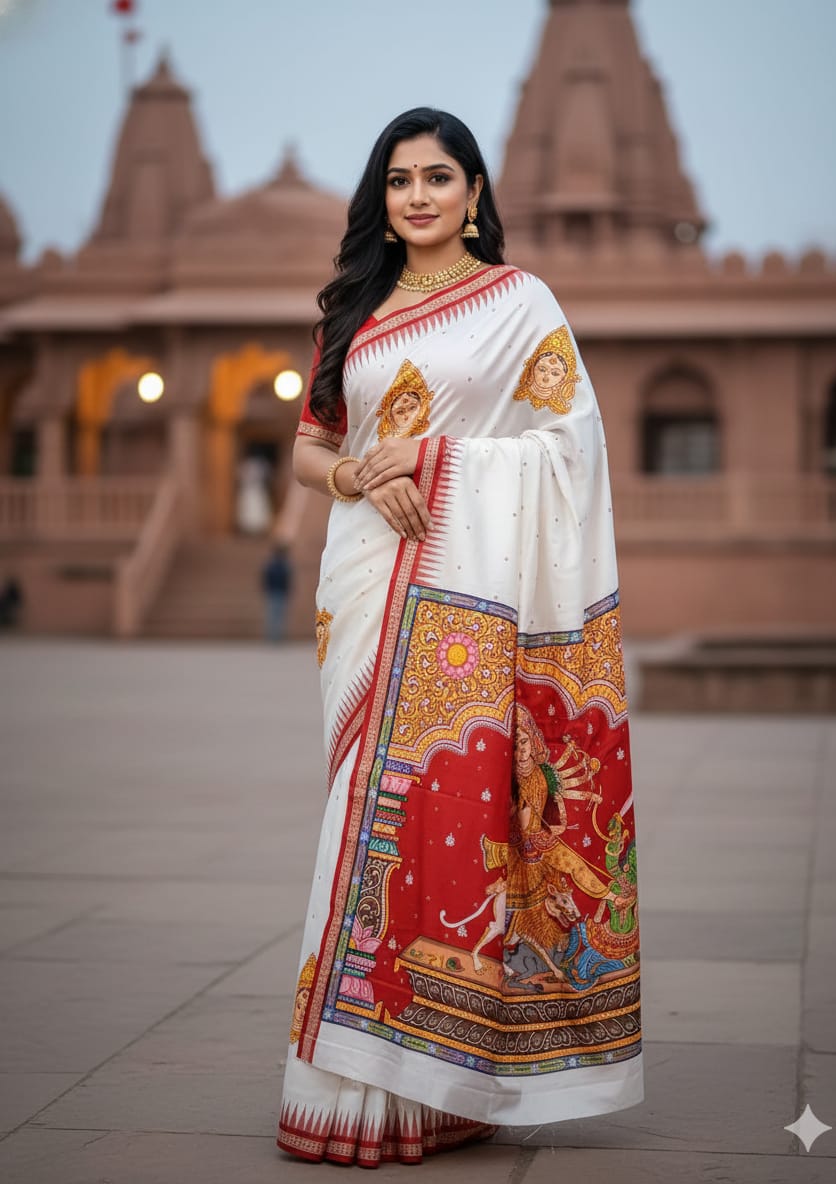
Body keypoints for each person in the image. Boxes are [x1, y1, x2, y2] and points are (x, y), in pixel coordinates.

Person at [277, 108, 643, 1168]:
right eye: (400, 180)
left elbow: (570, 449)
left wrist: (440, 464)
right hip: (363, 581)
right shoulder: (352, 307)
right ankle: (348, 1088)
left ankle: (426, 1087)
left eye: (441, 177)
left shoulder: (519, 304)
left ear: (477, 192)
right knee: (361, 812)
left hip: (468, 584)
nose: (420, 196)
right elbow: (311, 446)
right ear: (381, 200)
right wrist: (354, 473)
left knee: (445, 809)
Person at [260, 544, 294, 642]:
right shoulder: (282, 565)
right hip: (276, 592)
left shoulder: (274, 565)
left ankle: (275, 636)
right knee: (276, 616)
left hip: (276, 592)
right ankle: (274, 636)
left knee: (275, 616)